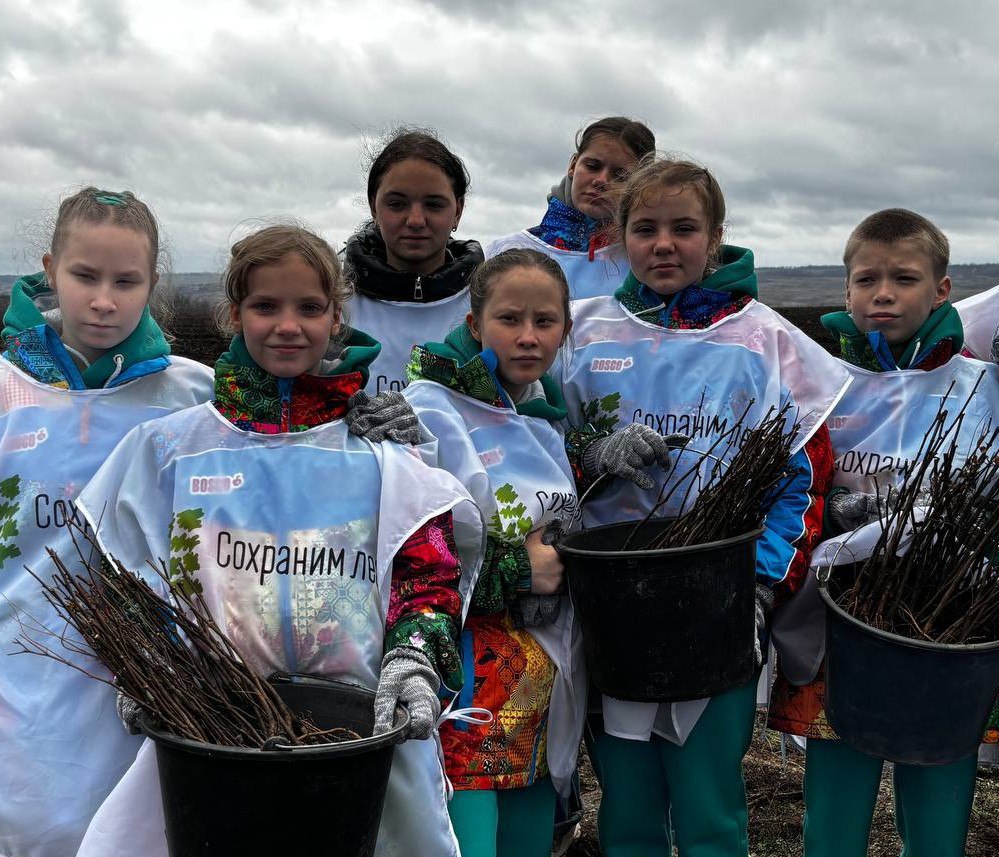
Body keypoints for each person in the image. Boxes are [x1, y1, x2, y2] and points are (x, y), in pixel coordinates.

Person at [72, 224, 485, 857]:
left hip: (360, 734)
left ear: (335, 317)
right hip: (215, 731)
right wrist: (149, 659)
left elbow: (424, 566)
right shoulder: (172, 450)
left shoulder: (377, 451)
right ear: (234, 314)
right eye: (266, 306)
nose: (287, 325)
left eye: (309, 308)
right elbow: (123, 569)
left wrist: (415, 657)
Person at [0, 188, 217, 857]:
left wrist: (372, 428)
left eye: (125, 281)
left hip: (144, 707)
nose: (103, 300)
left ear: (152, 283)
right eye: (85, 276)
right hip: (9, 707)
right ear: (51, 270)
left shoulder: (192, 400)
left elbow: (259, 503)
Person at [558, 157, 850, 857]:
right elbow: (530, 454)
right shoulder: (579, 333)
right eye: (646, 227)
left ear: (714, 236)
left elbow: (801, 479)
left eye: (683, 228)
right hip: (611, 605)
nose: (664, 244)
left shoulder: (766, 340)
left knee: (710, 809)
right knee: (625, 807)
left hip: (720, 607)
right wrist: (591, 455)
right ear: (618, 237)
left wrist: (759, 582)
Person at [767, 208, 997, 856]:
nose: (883, 293)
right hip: (836, 627)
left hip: (946, 629)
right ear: (845, 291)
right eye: (866, 279)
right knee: (833, 809)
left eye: (903, 277)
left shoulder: (982, 388)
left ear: (942, 289)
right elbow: (791, 486)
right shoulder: (817, 384)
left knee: (936, 809)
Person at [402, 249, 592, 857]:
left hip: (536, 689)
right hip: (466, 692)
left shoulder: (545, 418)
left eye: (546, 321)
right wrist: (518, 572)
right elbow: (412, 559)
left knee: (529, 839)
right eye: (510, 319)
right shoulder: (430, 412)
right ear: (475, 323)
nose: (529, 337)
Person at [343, 128, 484, 397]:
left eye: (434, 205)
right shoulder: (333, 305)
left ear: (458, 210)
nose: (416, 220)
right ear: (374, 207)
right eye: (397, 204)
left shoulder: (487, 306)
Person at [485, 117, 655, 300]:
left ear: (640, 184)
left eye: (620, 176)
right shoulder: (507, 251)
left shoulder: (648, 263)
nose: (601, 181)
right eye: (592, 166)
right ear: (573, 164)